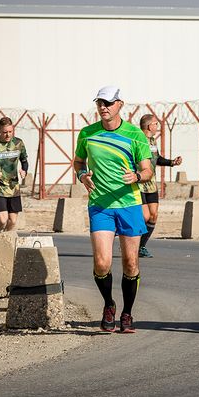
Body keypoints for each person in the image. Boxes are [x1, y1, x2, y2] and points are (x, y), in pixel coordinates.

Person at [73, 86, 153, 334]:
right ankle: (109, 304)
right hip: (100, 206)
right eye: (99, 103)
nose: (103, 107)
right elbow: (78, 162)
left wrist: (137, 176)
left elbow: (149, 170)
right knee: (102, 263)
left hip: (129, 205)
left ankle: (127, 313)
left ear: (120, 104)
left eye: (108, 103)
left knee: (130, 264)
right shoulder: (88, 133)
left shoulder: (134, 134)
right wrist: (82, 175)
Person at [137, 114, 183, 258]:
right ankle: (129, 240)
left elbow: (157, 159)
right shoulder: (137, 139)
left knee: (153, 215)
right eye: (156, 124)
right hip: (138, 184)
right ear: (149, 126)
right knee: (144, 216)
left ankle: (141, 247)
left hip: (151, 185)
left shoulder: (152, 141)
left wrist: (171, 162)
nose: (157, 127)